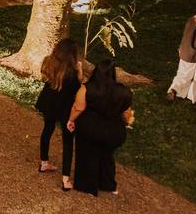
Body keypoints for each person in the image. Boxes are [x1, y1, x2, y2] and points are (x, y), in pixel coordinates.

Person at [67, 60, 135, 196]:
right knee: (107, 156)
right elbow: (126, 111)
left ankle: (87, 186)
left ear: (96, 72)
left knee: (88, 154)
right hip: (114, 131)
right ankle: (108, 184)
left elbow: (78, 108)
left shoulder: (86, 89)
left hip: (91, 128)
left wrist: (71, 120)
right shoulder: (125, 92)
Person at [35, 39, 84, 191]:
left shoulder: (49, 63)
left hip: (50, 103)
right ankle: (65, 179)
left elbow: (46, 78)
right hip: (65, 108)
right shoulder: (72, 72)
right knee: (68, 141)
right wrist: (80, 71)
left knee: (47, 129)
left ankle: (44, 163)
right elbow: (78, 88)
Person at [167, 12, 196, 103]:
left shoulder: (191, 19)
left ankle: (174, 90)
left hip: (185, 51)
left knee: (182, 74)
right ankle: (195, 96)